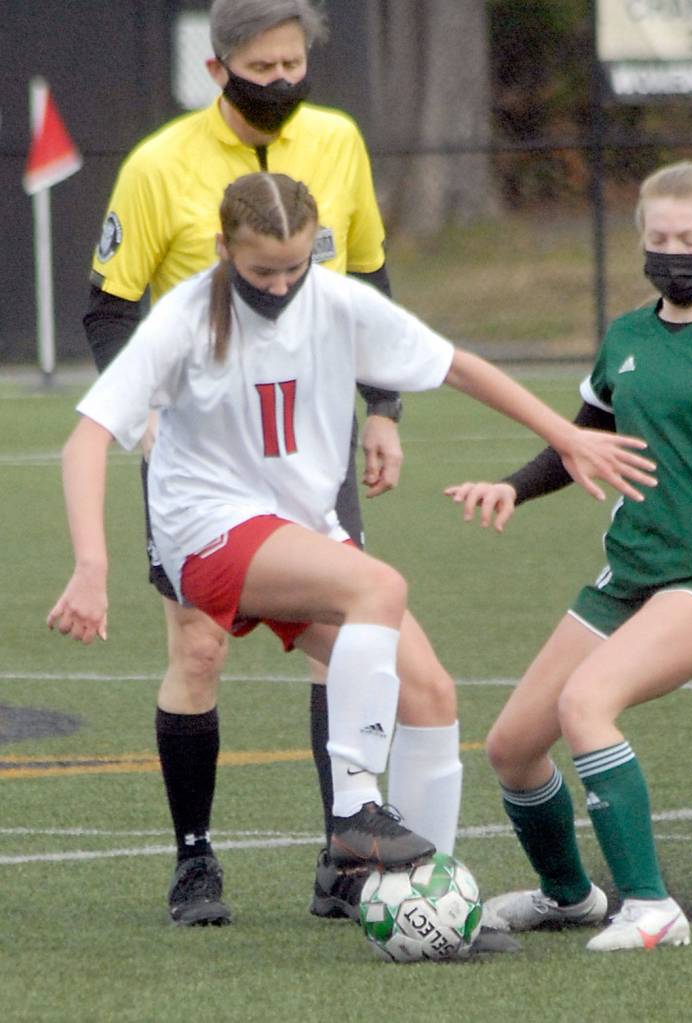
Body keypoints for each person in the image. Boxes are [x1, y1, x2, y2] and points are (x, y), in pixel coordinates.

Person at [49, 172, 656, 933]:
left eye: (294, 266)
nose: (279, 283)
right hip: (203, 529)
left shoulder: (336, 301)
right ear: (221, 249)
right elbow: (87, 438)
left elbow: (457, 365)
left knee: (430, 691)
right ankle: (355, 813)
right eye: (260, 269)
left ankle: (424, 901)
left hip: (297, 529)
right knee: (379, 586)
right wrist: (91, 566)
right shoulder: (184, 316)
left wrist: (564, 435)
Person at [82, 0, 406, 924]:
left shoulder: (339, 142)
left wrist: (381, 409)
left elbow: (371, 283)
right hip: (201, 457)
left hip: (311, 444)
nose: (281, 84)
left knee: (341, 642)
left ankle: (344, 851)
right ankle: (194, 860)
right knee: (197, 645)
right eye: (260, 68)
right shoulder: (159, 165)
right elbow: (108, 307)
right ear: (218, 69)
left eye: (293, 64)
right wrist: (138, 407)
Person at [445, 160, 692, 952]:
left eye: (689, 239)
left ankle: (650, 906)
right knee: (511, 745)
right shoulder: (627, 337)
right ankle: (568, 895)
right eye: (657, 238)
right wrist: (512, 485)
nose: (671, 252)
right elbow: (581, 443)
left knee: (586, 703)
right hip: (627, 575)